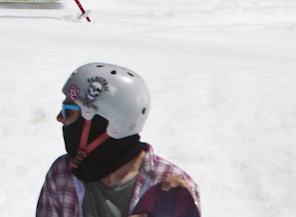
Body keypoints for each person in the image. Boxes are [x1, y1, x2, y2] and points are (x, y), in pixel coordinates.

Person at [37, 62, 201, 217]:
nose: (60, 118)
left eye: (68, 110)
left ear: (101, 124)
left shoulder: (170, 188)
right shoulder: (61, 175)